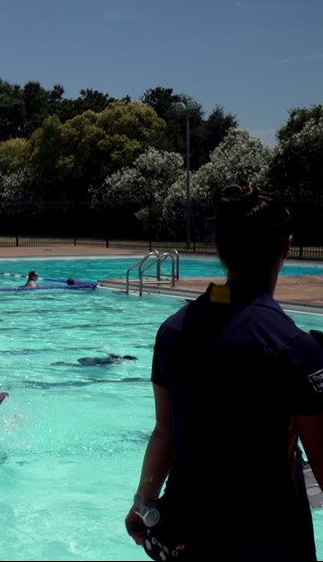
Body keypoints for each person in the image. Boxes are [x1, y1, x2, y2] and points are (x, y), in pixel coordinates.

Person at [125, 185, 323, 561]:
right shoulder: (295, 348)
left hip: (188, 532)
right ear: (286, 248)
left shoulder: (172, 333)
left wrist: (144, 502)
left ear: (220, 250)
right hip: (269, 538)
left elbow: (165, 431)